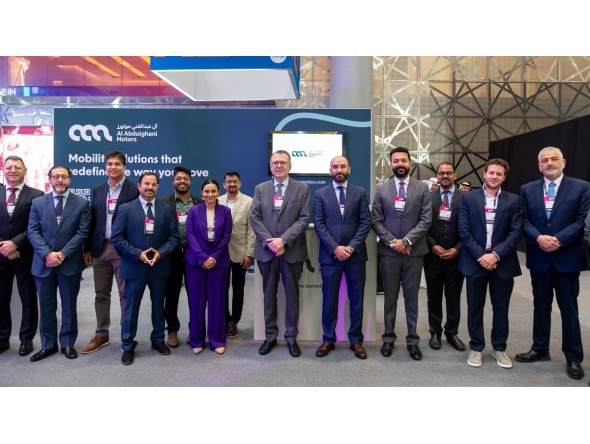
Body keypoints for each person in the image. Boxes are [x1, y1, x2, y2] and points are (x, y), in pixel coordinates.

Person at [517, 147, 590, 381]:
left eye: (554, 159)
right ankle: (540, 348)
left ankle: (574, 357)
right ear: (539, 166)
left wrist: (558, 240)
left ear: (564, 162)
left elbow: (582, 220)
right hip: (539, 256)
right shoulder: (527, 189)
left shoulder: (581, 187)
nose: (549, 163)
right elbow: (523, 219)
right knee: (540, 306)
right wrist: (538, 238)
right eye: (544, 160)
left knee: (568, 309)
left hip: (567, 257)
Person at [458, 158, 523, 369]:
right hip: (476, 262)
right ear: (484, 174)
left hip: (502, 264)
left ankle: (499, 348)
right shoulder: (469, 199)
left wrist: (495, 255)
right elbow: (464, 231)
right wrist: (482, 256)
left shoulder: (514, 201)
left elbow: (515, 233)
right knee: (475, 308)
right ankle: (476, 348)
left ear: (504, 177)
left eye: (499, 174)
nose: (494, 176)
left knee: (501, 308)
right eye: (491, 172)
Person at [110, 172, 179, 365]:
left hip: (159, 266)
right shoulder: (125, 209)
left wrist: (160, 253)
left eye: (154, 184)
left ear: (158, 187)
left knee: (159, 306)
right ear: (139, 186)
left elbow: (173, 237)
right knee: (131, 308)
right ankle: (128, 344)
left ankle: (157, 340)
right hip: (134, 266)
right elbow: (117, 238)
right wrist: (138, 253)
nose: (150, 187)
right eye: (146, 183)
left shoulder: (166, 210)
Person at [371, 146, 432, 361]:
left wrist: (406, 241)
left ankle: (413, 340)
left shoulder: (422, 188)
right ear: (390, 164)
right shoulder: (381, 189)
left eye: (403, 160)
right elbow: (375, 220)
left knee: (411, 298)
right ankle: (388, 338)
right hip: (388, 253)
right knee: (389, 298)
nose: (400, 164)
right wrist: (391, 242)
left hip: (413, 252)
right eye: (395, 161)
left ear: (410, 163)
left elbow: (426, 220)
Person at [27, 165, 91, 361]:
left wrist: (62, 254)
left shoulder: (81, 203)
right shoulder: (38, 203)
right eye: (56, 177)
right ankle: (48, 344)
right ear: (50, 179)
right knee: (46, 306)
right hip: (43, 263)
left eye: (64, 177)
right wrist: (47, 254)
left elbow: (82, 232)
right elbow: (33, 231)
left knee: (69, 306)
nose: (60, 180)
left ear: (69, 179)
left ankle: (68, 343)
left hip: (69, 263)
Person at [250, 150, 310, 357]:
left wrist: (283, 240)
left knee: (292, 295)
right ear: (270, 165)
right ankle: (270, 336)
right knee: (269, 295)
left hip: (291, 251)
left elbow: (304, 218)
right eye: (275, 162)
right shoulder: (260, 189)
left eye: (283, 162)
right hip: (267, 252)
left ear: (290, 166)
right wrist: (271, 243)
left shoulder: (302, 189)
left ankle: (291, 337)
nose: (279, 166)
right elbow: (255, 218)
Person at [81, 150, 139, 354]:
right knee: (101, 294)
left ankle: (126, 336)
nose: (112, 167)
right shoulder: (98, 189)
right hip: (100, 248)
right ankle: (101, 334)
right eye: (109, 164)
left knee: (125, 294)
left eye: (117, 164)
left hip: (124, 250)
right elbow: (92, 220)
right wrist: (87, 247)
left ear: (124, 167)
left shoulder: (134, 189)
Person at [313, 156, 371, 359]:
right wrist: (335, 248)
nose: (339, 169)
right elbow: (319, 224)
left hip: (355, 257)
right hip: (330, 257)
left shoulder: (360, 192)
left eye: (343, 166)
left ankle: (356, 341)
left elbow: (365, 222)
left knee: (356, 300)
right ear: (330, 170)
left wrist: (352, 247)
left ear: (349, 169)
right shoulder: (320, 194)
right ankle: (328, 339)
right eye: (335, 166)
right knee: (329, 301)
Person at [0, 156, 44, 357]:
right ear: (3, 169)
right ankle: (2, 339)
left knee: (27, 298)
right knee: (1, 299)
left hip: (24, 254)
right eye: (9, 167)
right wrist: (4, 245)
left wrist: (15, 243)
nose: (12, 170)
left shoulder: (37, 195)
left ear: (24, 170)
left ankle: (26, 339)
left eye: (17, 167)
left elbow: (36, 227)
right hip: (1, 255)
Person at [185, 180, 232, 354]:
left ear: (218, 192)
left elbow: (227, 236)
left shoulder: (225, 212)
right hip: (196, 263)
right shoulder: (193, 211)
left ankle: (217, 340)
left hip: (218, 263)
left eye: (213, 191)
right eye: (206, 191)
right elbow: (190, 235)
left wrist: (213, 257)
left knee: (217, 302)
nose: (210, 194)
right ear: (202, 192)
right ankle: (197, 340)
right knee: (196, 302)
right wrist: (203, 258)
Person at [158, 166, 203, 347]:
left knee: (196, 294)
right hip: (172, 255)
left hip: (194, 255)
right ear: (173, 181)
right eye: (178, 179)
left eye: (185, 179)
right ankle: (172, 330)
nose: (182, 181)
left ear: (190, 181)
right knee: (171, 294)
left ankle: (195, 329)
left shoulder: (200, 203)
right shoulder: (163, 202)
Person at [424, 162, 466, 351]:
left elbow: (471, 227)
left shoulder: (466, 198)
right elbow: (421, 225)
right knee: (433, 296)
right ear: (437, 175)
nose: (445, 176)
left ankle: (452, 332)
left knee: (453, 296)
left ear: (454, 175)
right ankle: (435, 332)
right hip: (433, 256)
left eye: (449, 173)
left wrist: (458, 248)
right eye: (441, 173)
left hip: (456, 256)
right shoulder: (427, 197)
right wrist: (432, 246)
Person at [218, 171, 254, 339]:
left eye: (235, 182)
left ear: (239, 184)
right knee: (222, 288)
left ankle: (234, 321)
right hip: (220, 254)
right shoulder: (217, 200)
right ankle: (224, 318)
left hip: (240, 253)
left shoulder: (249, 201)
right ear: (224, 184)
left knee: (238, 288)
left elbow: (252, 230)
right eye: (228, 182)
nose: (232, 184)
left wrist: (249, 253)